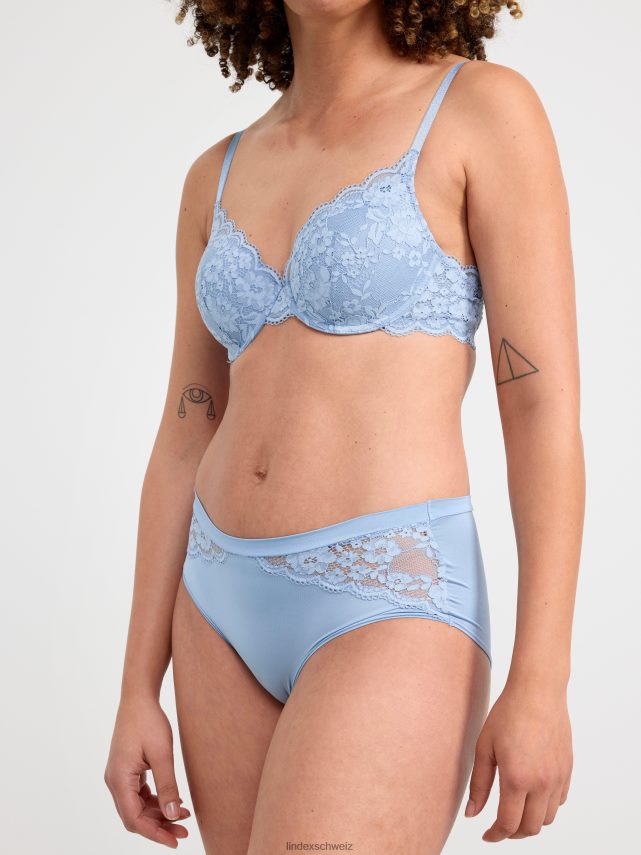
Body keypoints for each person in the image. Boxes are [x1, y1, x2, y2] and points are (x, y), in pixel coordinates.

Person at [104, 1, 584, 852]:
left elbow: (539, 407)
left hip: (390, 596)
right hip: (215, 603)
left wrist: (541, 680)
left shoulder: (479, 109)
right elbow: (185, 430)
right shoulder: (215, 174)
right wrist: (136, 687)